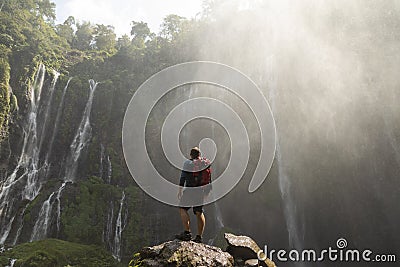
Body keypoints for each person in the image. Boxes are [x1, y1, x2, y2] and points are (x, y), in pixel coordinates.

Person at [175, 147, 211, 243]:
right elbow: (209, 180)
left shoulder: (188, 163)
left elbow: (183, 178)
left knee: (182, 208)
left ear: (190, 155)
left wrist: (180, 190)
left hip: (190, 190)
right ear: (200, 154)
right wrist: (207, 193)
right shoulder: (205, 163)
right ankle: (199, 237)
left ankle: (187, 233)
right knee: (199, 212)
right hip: (201, 191)